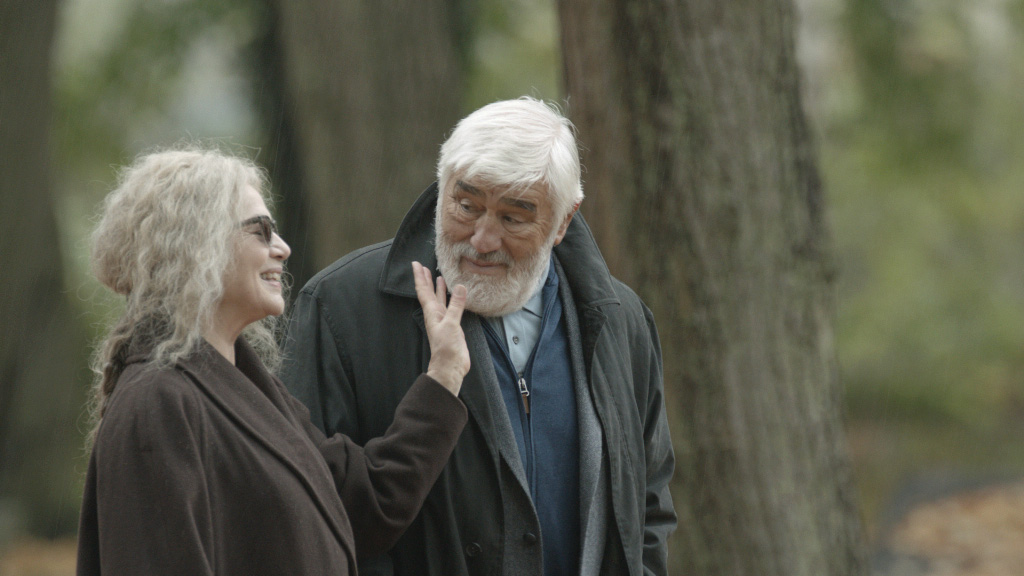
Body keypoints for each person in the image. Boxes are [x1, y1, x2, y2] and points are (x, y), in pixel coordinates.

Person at [281, 97, 676, 576]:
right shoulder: (341, 309)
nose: (483, 239)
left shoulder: (621, 320)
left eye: (513, 217)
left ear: (563, 222)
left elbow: (649, 504)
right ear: (441, 187)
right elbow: (309, 506)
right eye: (466, 206)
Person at [76, 147, 471, 576]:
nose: (282, 248)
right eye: (260, 231)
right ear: (196, 245)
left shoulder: (252, 387)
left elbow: (367, 507)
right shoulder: (157, 403)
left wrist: (443, 375)